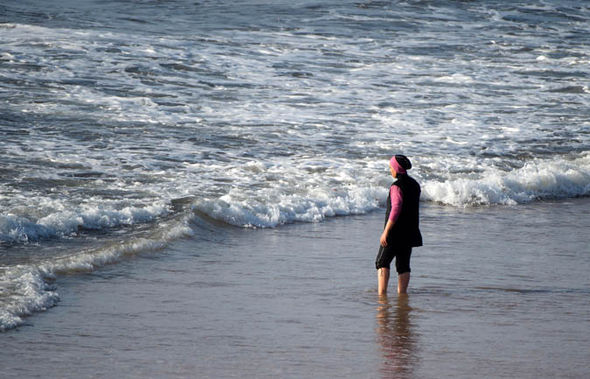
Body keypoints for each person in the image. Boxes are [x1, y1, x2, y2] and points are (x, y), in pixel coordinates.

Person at [375, 154, 423, 295]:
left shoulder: (396, 186)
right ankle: (402, 295)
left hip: (395, 232)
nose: (390, 170)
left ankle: (382, 295)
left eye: (391, 167)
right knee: (403, 265)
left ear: (396, 168)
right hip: (410, 231)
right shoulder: (415, 184)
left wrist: (386, 231)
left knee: (382, 262)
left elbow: (396, 208)